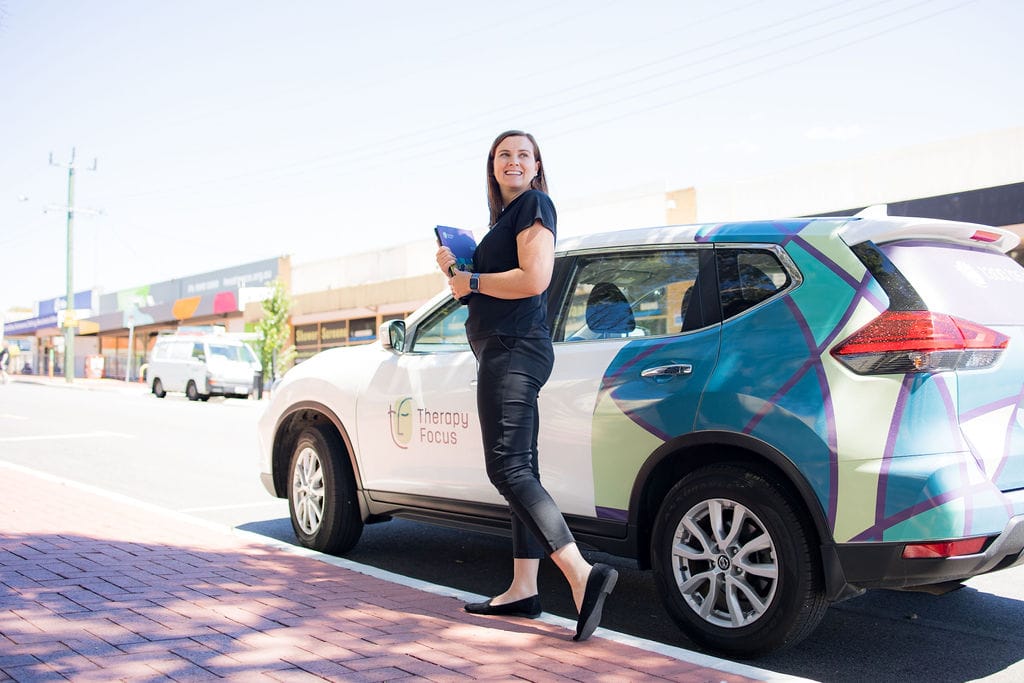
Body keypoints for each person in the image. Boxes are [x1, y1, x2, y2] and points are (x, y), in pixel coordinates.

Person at [436, 130, 617, 642]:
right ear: (492, 167)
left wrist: (470, 283)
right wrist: (460, 273)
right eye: (503, 155)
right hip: (507, 345)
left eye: (523, 155)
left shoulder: (536, 203)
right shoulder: (501, 223)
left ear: (537, 166)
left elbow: (535, 279)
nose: (513, 161)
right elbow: (495, 292)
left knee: (507, 466)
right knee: (523, 466)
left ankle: (583, 574)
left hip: (514, 349)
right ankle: (522, 589)